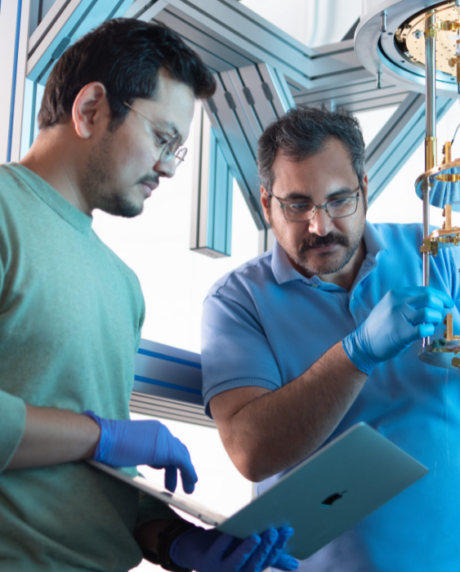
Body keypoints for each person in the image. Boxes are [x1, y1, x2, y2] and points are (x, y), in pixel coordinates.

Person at [200, 106, 460, 571]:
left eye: (338, 199)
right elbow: (251, 452)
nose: (321, 225)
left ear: (364, 189)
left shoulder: (434, 254)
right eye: (298, 205)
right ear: (267, 203)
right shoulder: (237, 301)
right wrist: (356, 354)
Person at [0, 18, 297, 572]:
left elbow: (96, 469)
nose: (167, 166)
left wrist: (174, 541)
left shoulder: (122, 285)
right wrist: (104, 436)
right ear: (90, 109)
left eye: (177, 150)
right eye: (162, 138)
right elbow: (96, 440)